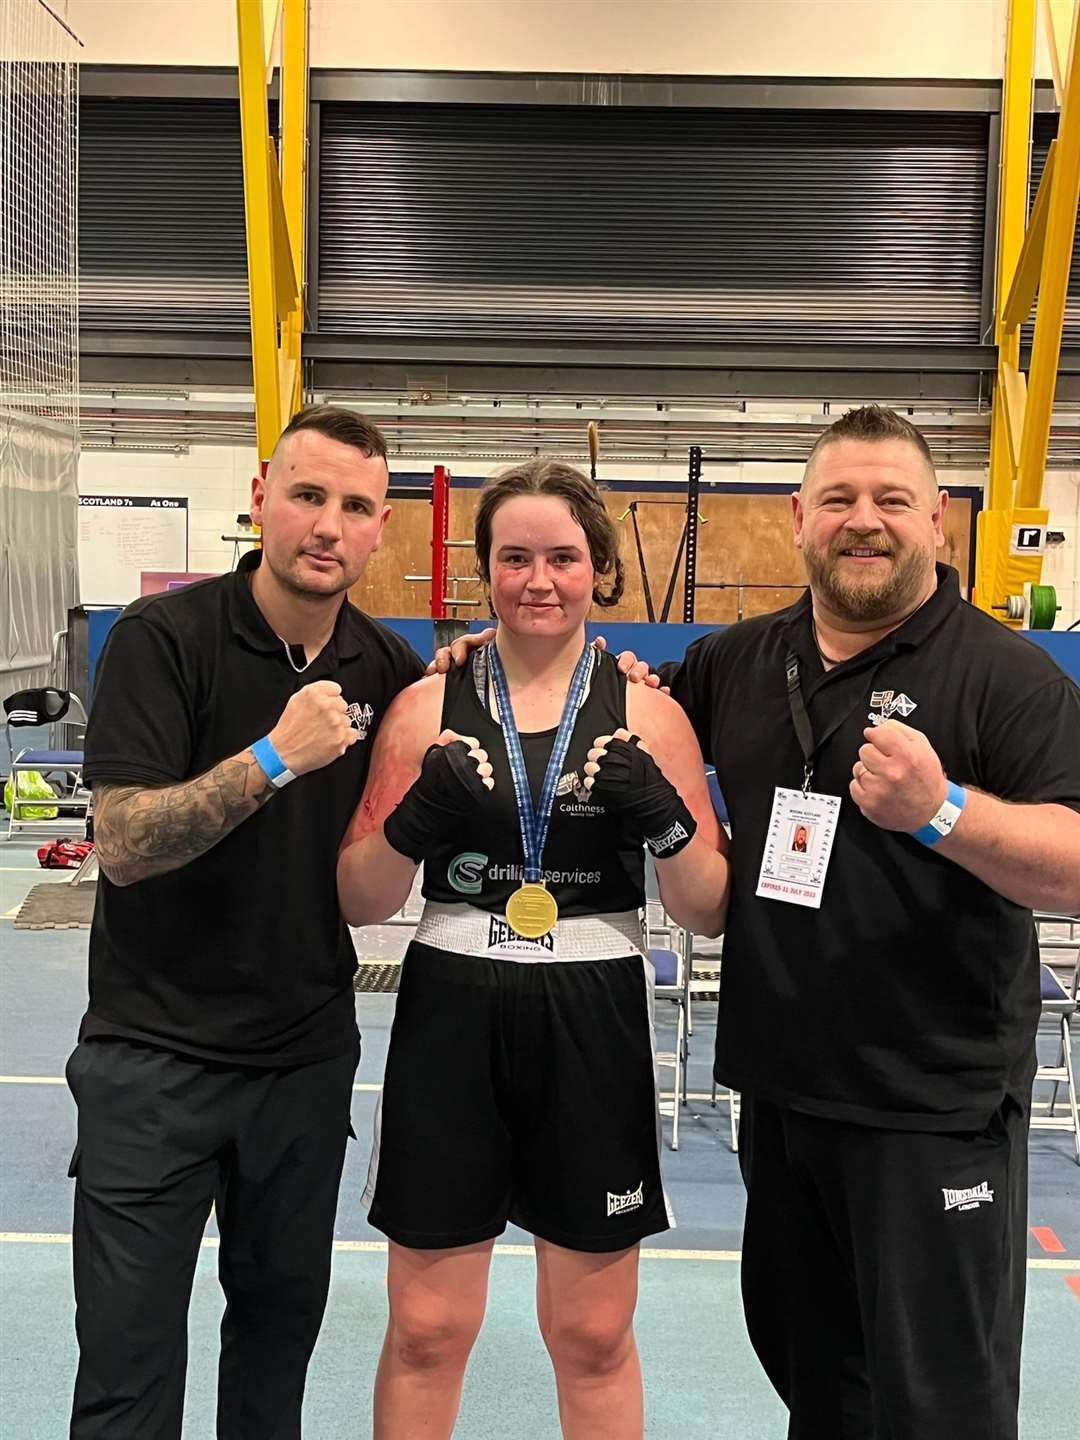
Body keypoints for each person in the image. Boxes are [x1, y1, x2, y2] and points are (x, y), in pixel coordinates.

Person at [619, 404, 1080, 1438]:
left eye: (890, 501)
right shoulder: (738, 661)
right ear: (797, 517)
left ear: (939, 524)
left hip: (932, 1111)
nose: (862, 521)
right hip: (781, 1101)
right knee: (817, 1389)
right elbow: (635, 698)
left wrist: (943, 811)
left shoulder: (1006, 678)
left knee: (939, 1410)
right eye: (838, 499)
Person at [337, 458, 730, 1440]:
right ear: (486, 571)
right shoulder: (426, 707)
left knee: (592, 1333)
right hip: (451, 1007)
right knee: (427, 1326)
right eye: (515, 558)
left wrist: (672, 826)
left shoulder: (655, 715)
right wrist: (411, 823)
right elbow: (358, 896)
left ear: (600, 568)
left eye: (562, 557)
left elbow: (709, 910)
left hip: (594, 1010)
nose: (538, 580)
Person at [67, 406, 426, 1439]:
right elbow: (125, 845)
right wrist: (271, 758)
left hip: (301, 1068)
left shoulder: (386, 669)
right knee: (128, 1378)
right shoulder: (162, 640)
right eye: (308, 495)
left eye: (355, 506)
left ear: (378, 528)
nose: (328, 524)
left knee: (273, 1369)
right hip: (151, 1063)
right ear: (262, 495)